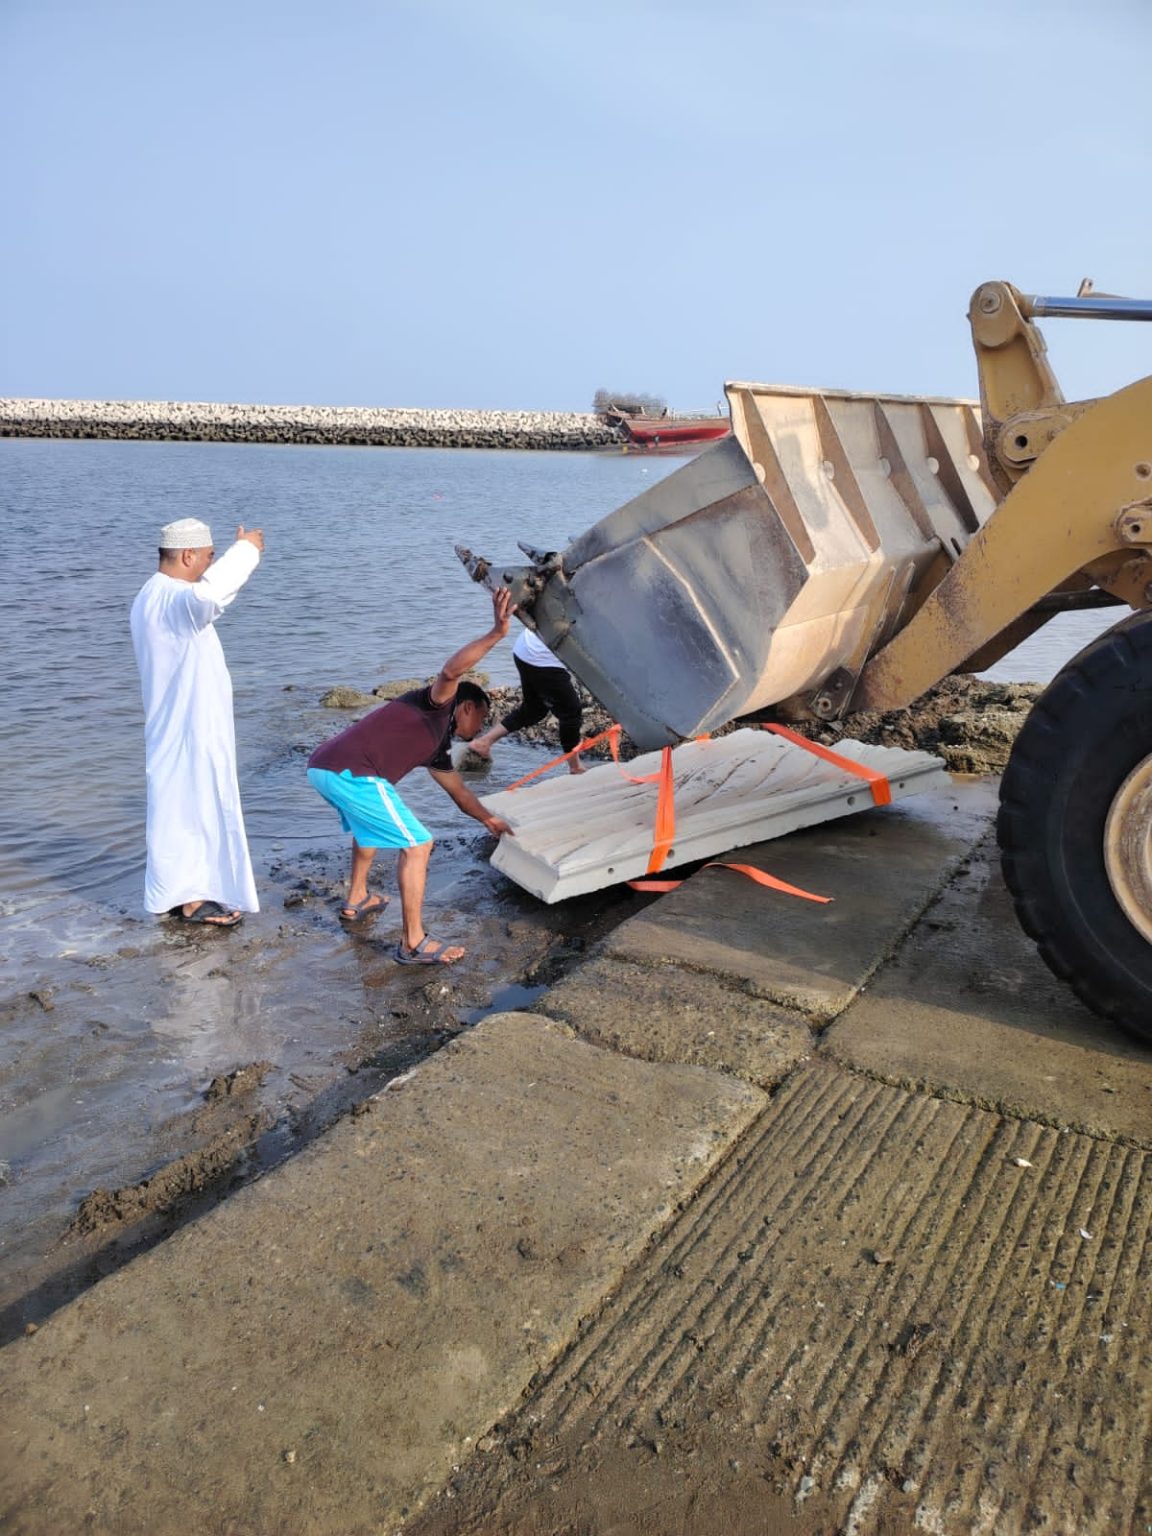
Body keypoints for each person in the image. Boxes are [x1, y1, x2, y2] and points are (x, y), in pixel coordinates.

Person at [307, 588, 516, 965]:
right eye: (482, 719)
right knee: (418, 844)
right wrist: (496, 633)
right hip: (350, 773)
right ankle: (412, 943)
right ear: (467, 707)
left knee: (369, 828)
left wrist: (489, 820)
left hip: (324, 767)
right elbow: (451, 672)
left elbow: (460, 793)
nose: (480, 728)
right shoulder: (437, 705)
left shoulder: (436, 747)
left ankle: (357, 897)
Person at [130, 517, 265, 928]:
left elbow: (202, 593)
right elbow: (210, 596)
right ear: (188, 555)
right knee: (196, 804)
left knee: (179, 807)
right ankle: (192, 900)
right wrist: (246, 550)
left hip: (175, 720)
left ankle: (179, 893)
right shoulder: (176, 599)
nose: (210, 564)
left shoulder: (151, 594)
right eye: (208, 556)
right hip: (189, 723)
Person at [468, 627, 585, 774]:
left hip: (525, 646)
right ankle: (575, 767)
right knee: (571, 713)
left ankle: (483, 742)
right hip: (542, 658)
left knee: (534, 710)